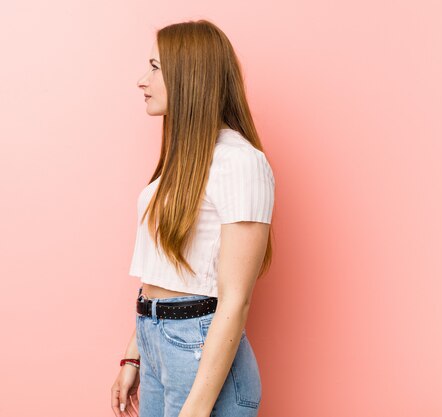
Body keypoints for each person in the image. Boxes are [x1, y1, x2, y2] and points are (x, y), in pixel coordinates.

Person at [111, 19, 276, 417]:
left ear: (189, 76)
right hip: (156, 341)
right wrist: (134, 353)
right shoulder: (182, 164)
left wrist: (196, 409)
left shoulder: (240, 163)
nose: (141, 80)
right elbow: (166, 270)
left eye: (154, 67)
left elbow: (235, 299)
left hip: (198, 349)